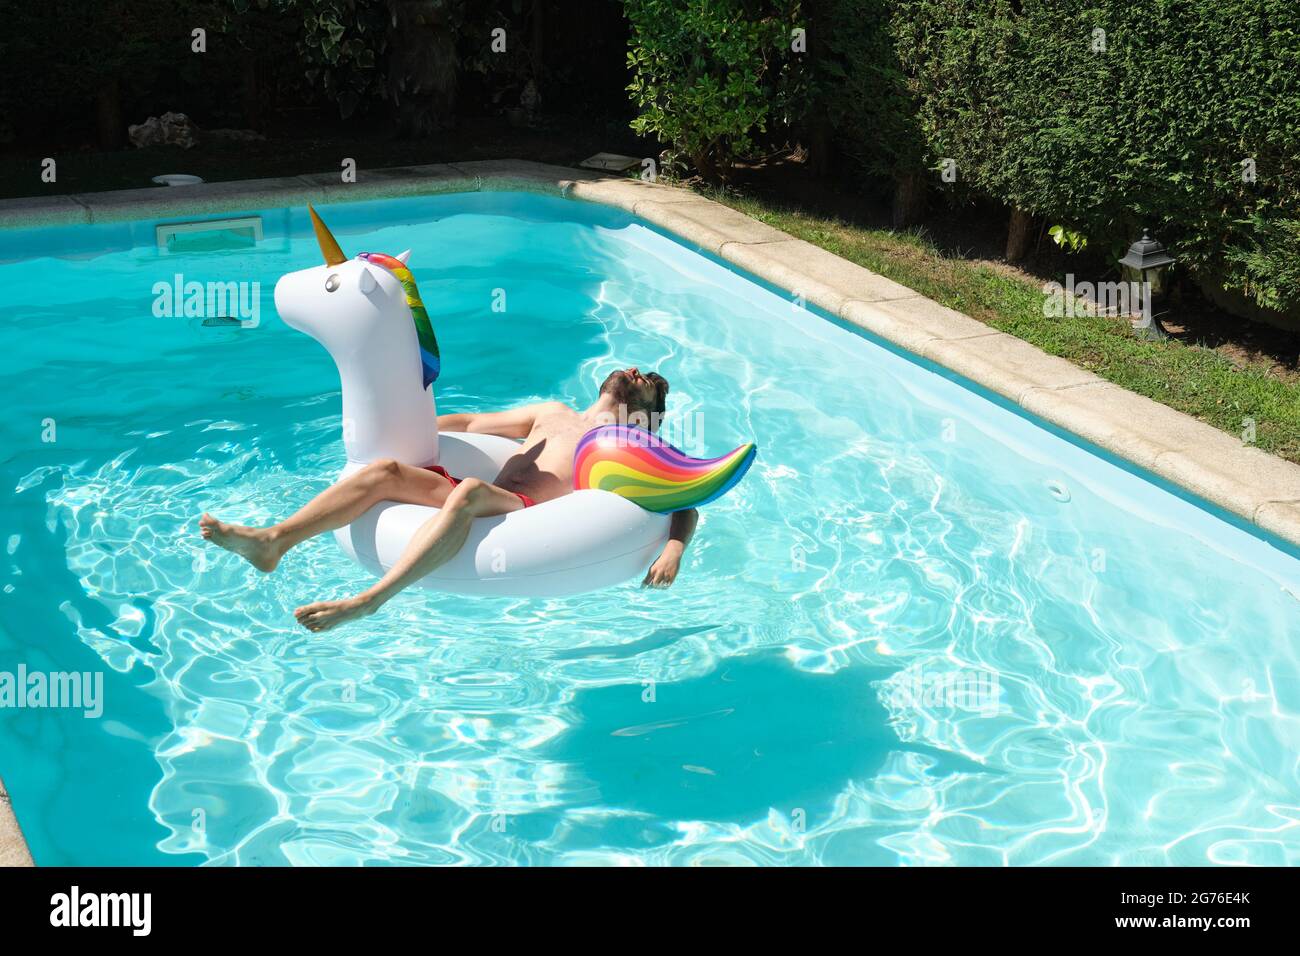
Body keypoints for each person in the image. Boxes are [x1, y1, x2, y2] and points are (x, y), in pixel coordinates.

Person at [200, 368, 699, 631]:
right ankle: (274, 541)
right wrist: (398, 426)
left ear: (649, 413)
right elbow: (469, 426)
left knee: (472, 491)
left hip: (521, 514)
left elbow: (684, 501)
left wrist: (673, 548)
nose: (635, 372)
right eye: (636, 370)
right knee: (385, 472)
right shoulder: (552, 412)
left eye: (648, 381)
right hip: (482, 493)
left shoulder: (631, 443)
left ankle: (369, 601)